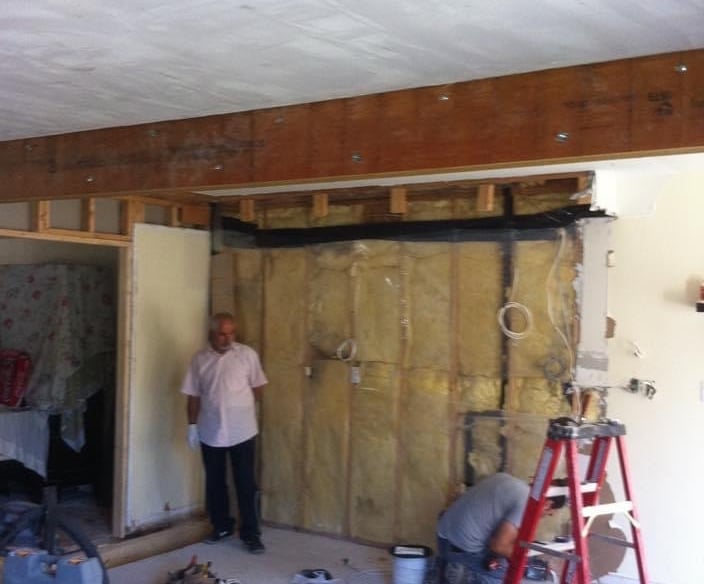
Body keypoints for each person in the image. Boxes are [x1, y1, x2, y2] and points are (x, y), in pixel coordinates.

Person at [181, 312, 268, 553]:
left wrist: (239, 407)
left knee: (245, 483)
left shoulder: (247, 355)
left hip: (242, 430)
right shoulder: (199, 360)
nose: (227, 338)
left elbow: (258, 388)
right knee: (215, 482)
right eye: (222, 334)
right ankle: (221, 526)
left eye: (231, 333)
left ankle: (251, 534)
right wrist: (191, 426)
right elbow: (193, 395)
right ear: (212, 333)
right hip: (211, 430)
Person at [436, 472, 566, 583]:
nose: (543, 517)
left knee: (503, 561)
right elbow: (499, 546)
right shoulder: (526, 501)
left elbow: (501, 530)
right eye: (548, 514)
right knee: (508, 576)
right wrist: (526, 562)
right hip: (459, 547)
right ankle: (458, 570)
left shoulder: (507, 479)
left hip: (444, 534)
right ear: (548, 505)